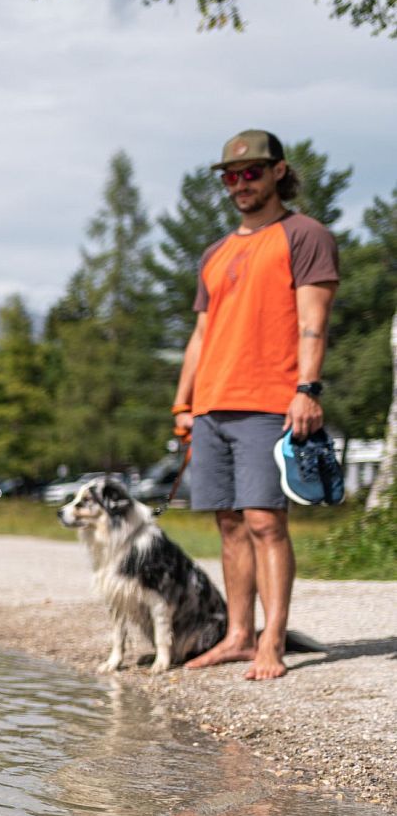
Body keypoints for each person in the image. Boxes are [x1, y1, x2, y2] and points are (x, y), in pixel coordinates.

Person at [170, 130, 339, 681]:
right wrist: (183, 403)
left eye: (252, 173)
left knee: (266, 520)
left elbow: (314, 319)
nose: (241, 184)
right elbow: (200, 334)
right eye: (231, 176)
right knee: (229, 522)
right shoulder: (216, 253)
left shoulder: (304, 234)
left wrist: (307, 390)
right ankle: (239, 635)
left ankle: (272, 640)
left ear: (277, 173)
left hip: (271, 399)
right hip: (212, 403)